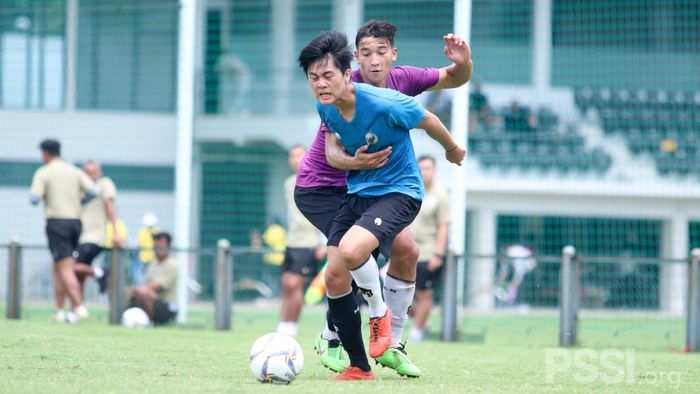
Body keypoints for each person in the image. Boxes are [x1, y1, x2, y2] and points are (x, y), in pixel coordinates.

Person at [294, 20, 472, 377]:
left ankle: (389, 342)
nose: (373, 61)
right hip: (326, 185)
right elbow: (331, 155)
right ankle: (343, 337)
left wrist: (463, 61)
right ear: (354, 63)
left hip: (369, 186)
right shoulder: (334, 91)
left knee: (404, 251)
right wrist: (355, 161)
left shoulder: (399, 84)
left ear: (393, 55)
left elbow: (454, 79)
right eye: (365, 54)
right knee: (345, 262)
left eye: (380, 52)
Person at [30, 139, 96, 323]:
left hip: (57, 222)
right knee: (58, 266)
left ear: (45, 153)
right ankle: (59, 311)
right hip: (75, 222)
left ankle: (79, 307)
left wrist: (46, 197)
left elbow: (34, 198)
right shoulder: (74, 170)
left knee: (65, 266)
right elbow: (94, 192)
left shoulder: (44, 172)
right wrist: (78, 202)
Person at [277, 145, 327, 337]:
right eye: (292, 156)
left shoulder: (316, 180)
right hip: (292, 241)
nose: (295, 159)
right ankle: (283, 324)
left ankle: (292, 325)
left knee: (295, 284)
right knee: (285, 283)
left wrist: (323, 242)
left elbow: (323, 211)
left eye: (300, 155)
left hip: (309, 241)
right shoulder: (289, 182)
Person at [408, 155, 451, 342]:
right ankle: (422, 320)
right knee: (397, 293)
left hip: (427, 252)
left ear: (434, 170)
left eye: (428, 168)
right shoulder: (410, 190)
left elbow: (444, 226)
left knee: (424, 294)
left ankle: (417, 331)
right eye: (421, 168)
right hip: (407, 252)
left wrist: (438, 253)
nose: (424, 172)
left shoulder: (440, 195)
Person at [71, 161, 120, 299]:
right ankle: (78, 309)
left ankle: (100, 273)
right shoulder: (80, 188)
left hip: (93, 237)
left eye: (94, 171)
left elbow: (110, 208)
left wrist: (115, 233)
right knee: (78, 275)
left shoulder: (104, 184)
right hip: (79, 237)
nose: (91, 175)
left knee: (69, 267)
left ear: (100, 172)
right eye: (88, 172)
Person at [124, 232, 178, 326]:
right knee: (128, 292)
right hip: (151, 301)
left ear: (168, 246)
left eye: (160, 247)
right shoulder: (153, 263)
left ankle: (150, 322)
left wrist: (136, 290)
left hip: (166, 305)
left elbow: (155, 286)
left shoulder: (172, 265)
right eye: (155, 246)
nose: (157, 249)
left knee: (142, 292)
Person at [131, 212, 159, 285]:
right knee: (142, 276)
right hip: (145, 258)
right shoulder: (144, 231)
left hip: (152, 258)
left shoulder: (155, 231)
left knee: (150, 276)